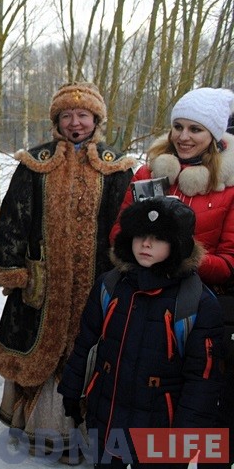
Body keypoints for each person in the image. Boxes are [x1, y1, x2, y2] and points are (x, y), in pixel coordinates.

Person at [0, 81, 136, 462]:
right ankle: (38, 425)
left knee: (87, 348)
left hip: (97, 281)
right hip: (42, 282)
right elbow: (13, 218)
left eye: (83, 115)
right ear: (57, 121)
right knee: (41, 347)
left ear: (96, 119)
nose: (75, 122)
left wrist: (126, 272)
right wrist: (14, 269)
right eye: (67, 115)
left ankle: (85, 429)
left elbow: (126, 223)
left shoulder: (116, 166)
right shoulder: (37, 162)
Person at [110, 86, 234, 468]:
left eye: (195, 129)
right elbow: (118, 235)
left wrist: (181, 257)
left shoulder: (228, 188)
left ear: (213, 136)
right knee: (134, 396)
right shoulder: (149, 174)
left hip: (193, 313)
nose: (183, 136)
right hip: (141, 302)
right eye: (178, 126)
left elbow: (229, 262)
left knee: (180, 403)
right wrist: (138, 250)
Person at [58, 197, 224, 468]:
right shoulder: (110, 285)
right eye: (139, 236)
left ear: (178, 244)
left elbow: (202, 379)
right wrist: (71, 390)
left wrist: (187, 435)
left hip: (161, 427)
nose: (145, 244)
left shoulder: (196, 302)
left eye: (158, 238)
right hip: (107, 412)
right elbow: (86, 343)